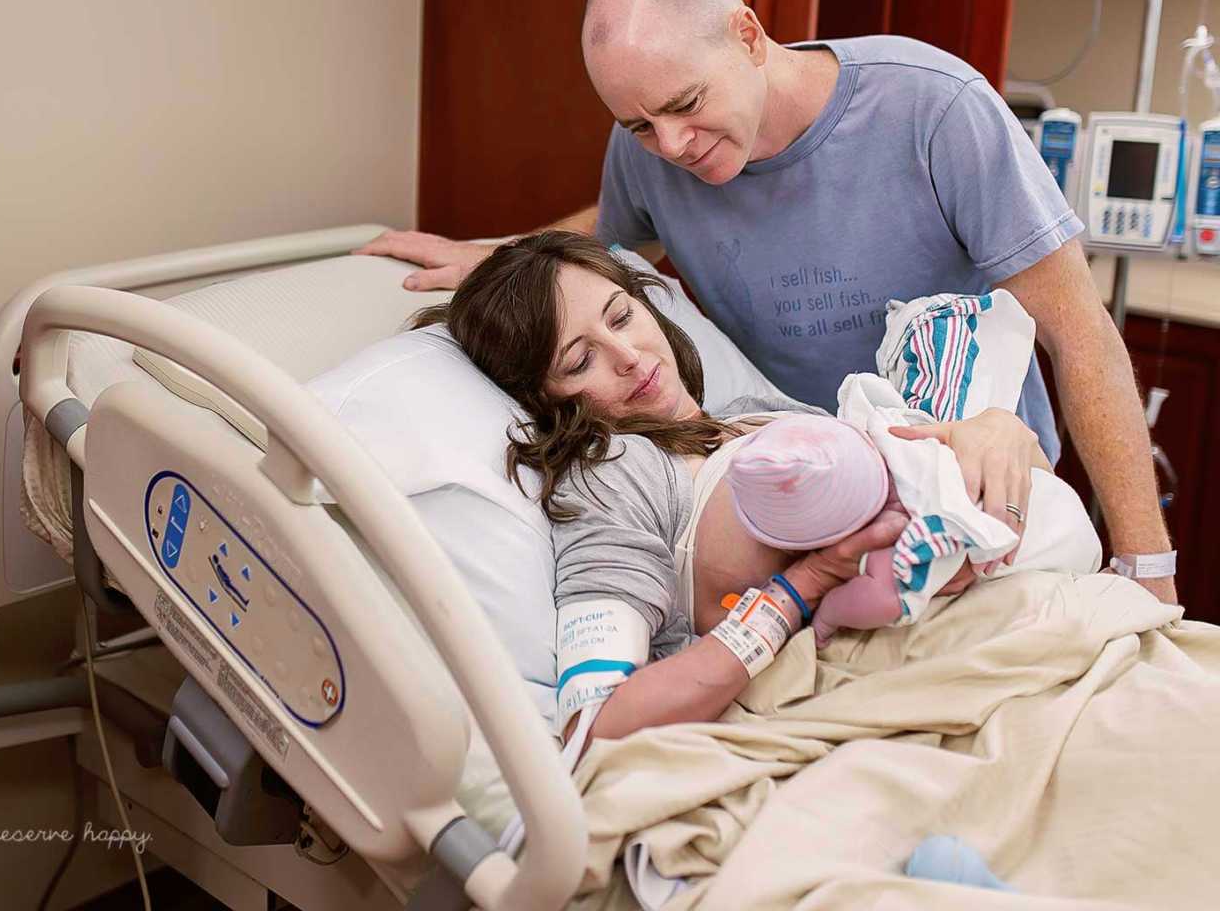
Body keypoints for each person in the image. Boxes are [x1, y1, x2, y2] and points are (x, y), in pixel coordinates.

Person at [364, 0, 1178, 603]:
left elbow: (1081, 337)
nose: (672, 146)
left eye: (684, 105)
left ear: (749, 36)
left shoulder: (932, 112)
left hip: (971, 476)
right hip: (811, 530)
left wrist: (1148, 571)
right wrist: (501, 254)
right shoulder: (647, 157)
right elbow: (607, 246)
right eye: (640, 125)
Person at [415, 232, 1059, 746]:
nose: (630, 356)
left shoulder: (757, 414)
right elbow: (599, 722)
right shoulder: (621, 474)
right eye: (579, 360)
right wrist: (801, 588)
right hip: (918, 686)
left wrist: (996, 431)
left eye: (622, 317)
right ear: (541, 399)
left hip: (1036, 624)